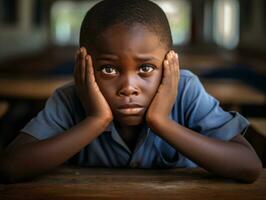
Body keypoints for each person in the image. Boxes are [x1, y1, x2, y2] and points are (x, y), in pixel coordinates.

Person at [0, 0, 262, 183]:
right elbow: (10, 167)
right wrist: (95, 121)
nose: (128, 88)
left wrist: (161, 123)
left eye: (146, 68)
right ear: (85, 65)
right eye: (109, 70)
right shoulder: (70, 98)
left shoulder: (186, 91)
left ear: (169, 65)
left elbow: (249, 166)